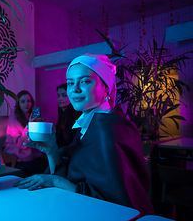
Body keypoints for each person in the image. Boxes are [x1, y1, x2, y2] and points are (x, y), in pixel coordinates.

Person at [14, 54, 154, 216]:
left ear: (106, 88)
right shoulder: (90, 123)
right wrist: (51, 151)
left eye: (85, 81)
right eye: (70, 83)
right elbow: (77, 180)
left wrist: (55, 180)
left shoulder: (110, 129)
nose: (75, 89)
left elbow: (113, 203)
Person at [4, 90, 48, 177]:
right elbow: (21, 143)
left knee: (50, 163)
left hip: (32, 155)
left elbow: (38, 138)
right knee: (46, 165)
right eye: (23, 101)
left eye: (28, 101)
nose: (26, 104)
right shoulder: (13, 119)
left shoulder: (30, 116)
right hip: (18, 157)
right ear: (18, 103)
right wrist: (30, 126)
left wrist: (40, 125)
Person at [55, 83, 82, 149]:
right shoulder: (63, 113)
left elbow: (72, 141)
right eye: (58, 96)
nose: (60, 99)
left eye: (64, 95)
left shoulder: (74, 115)